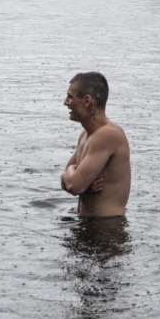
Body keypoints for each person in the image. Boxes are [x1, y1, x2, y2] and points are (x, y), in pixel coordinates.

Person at [60, 71, 131, 218]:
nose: (65, 102)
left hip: (107, 231)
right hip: (89, 227)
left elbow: (74, 185)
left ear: (87, 101)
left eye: (70, 97)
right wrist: (75, 174)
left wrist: (73, 173)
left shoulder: (108, 135)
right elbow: (65, 182)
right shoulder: (86, 135)